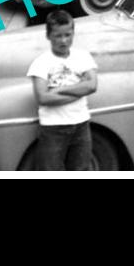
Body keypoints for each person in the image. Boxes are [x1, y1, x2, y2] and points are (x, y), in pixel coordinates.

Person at [26, 10, 99, 171]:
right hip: (53, 128)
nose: (64, 41)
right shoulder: (41, 63)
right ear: (48, 36)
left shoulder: (83, 56)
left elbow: (92, 85)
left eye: (68, 35)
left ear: (73, 33)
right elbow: (43, 98)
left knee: (80, 169)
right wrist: (80, 91)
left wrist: (61, 90)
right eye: (58, 36)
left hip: (81, 124)